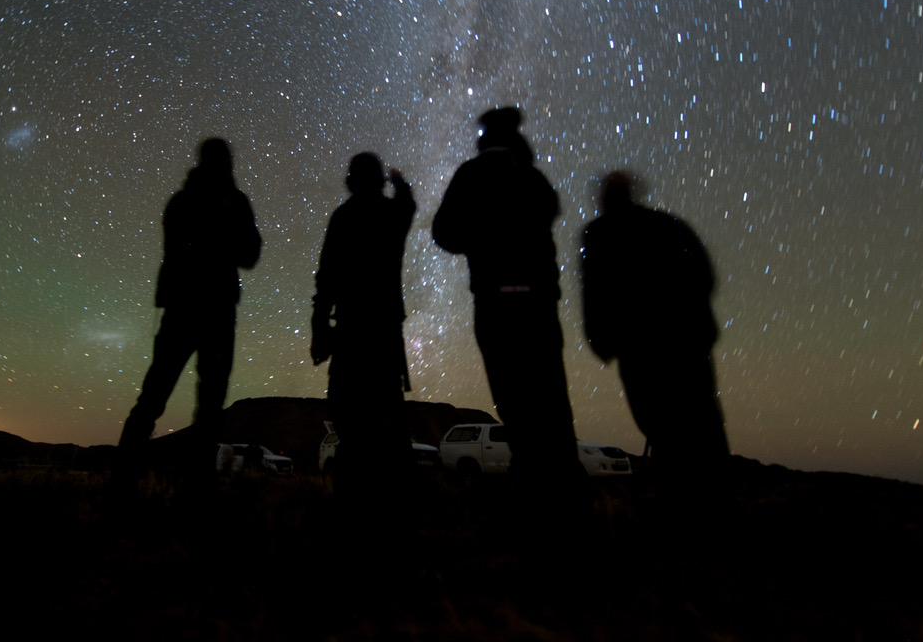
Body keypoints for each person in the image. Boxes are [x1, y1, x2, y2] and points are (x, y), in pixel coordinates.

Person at [432, 107, 587, 487]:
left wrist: (480, 242)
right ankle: (567, 496)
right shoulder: (533, 179)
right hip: (539, 305)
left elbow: (443, 232)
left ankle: (534, 495)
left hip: (495, 303)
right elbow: (550, 212)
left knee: (514, 403)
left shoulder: (471, 175)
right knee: (551, 400)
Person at [117, 138, 261, 481]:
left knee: (162, 399)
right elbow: (248, 253)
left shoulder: (185, 202)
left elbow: (247, 253)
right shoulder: (220, 203)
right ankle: (189, 490)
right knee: (199, 405)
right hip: (205, 310)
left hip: (190, 310)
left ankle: (124, 484)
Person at [578, 170, 730, 474]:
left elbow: (595, 293)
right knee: (704, 427)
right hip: (690, 345)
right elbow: (704, 276)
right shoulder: (671, 226)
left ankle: (679, 506)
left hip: (641, 351)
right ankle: (715, 506)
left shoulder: (600, 233)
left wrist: (605, 343)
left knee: (663, 431)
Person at [311, 153, 416, 490]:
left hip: (351, 331)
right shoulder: (392, 215)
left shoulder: (342, 217)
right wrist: (399, 180)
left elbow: (325, 280)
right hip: (385, 332)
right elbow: (408, 205)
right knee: (388, 415)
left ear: (351, 180)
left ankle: (352, 500)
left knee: (349, 419)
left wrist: (319, 327)